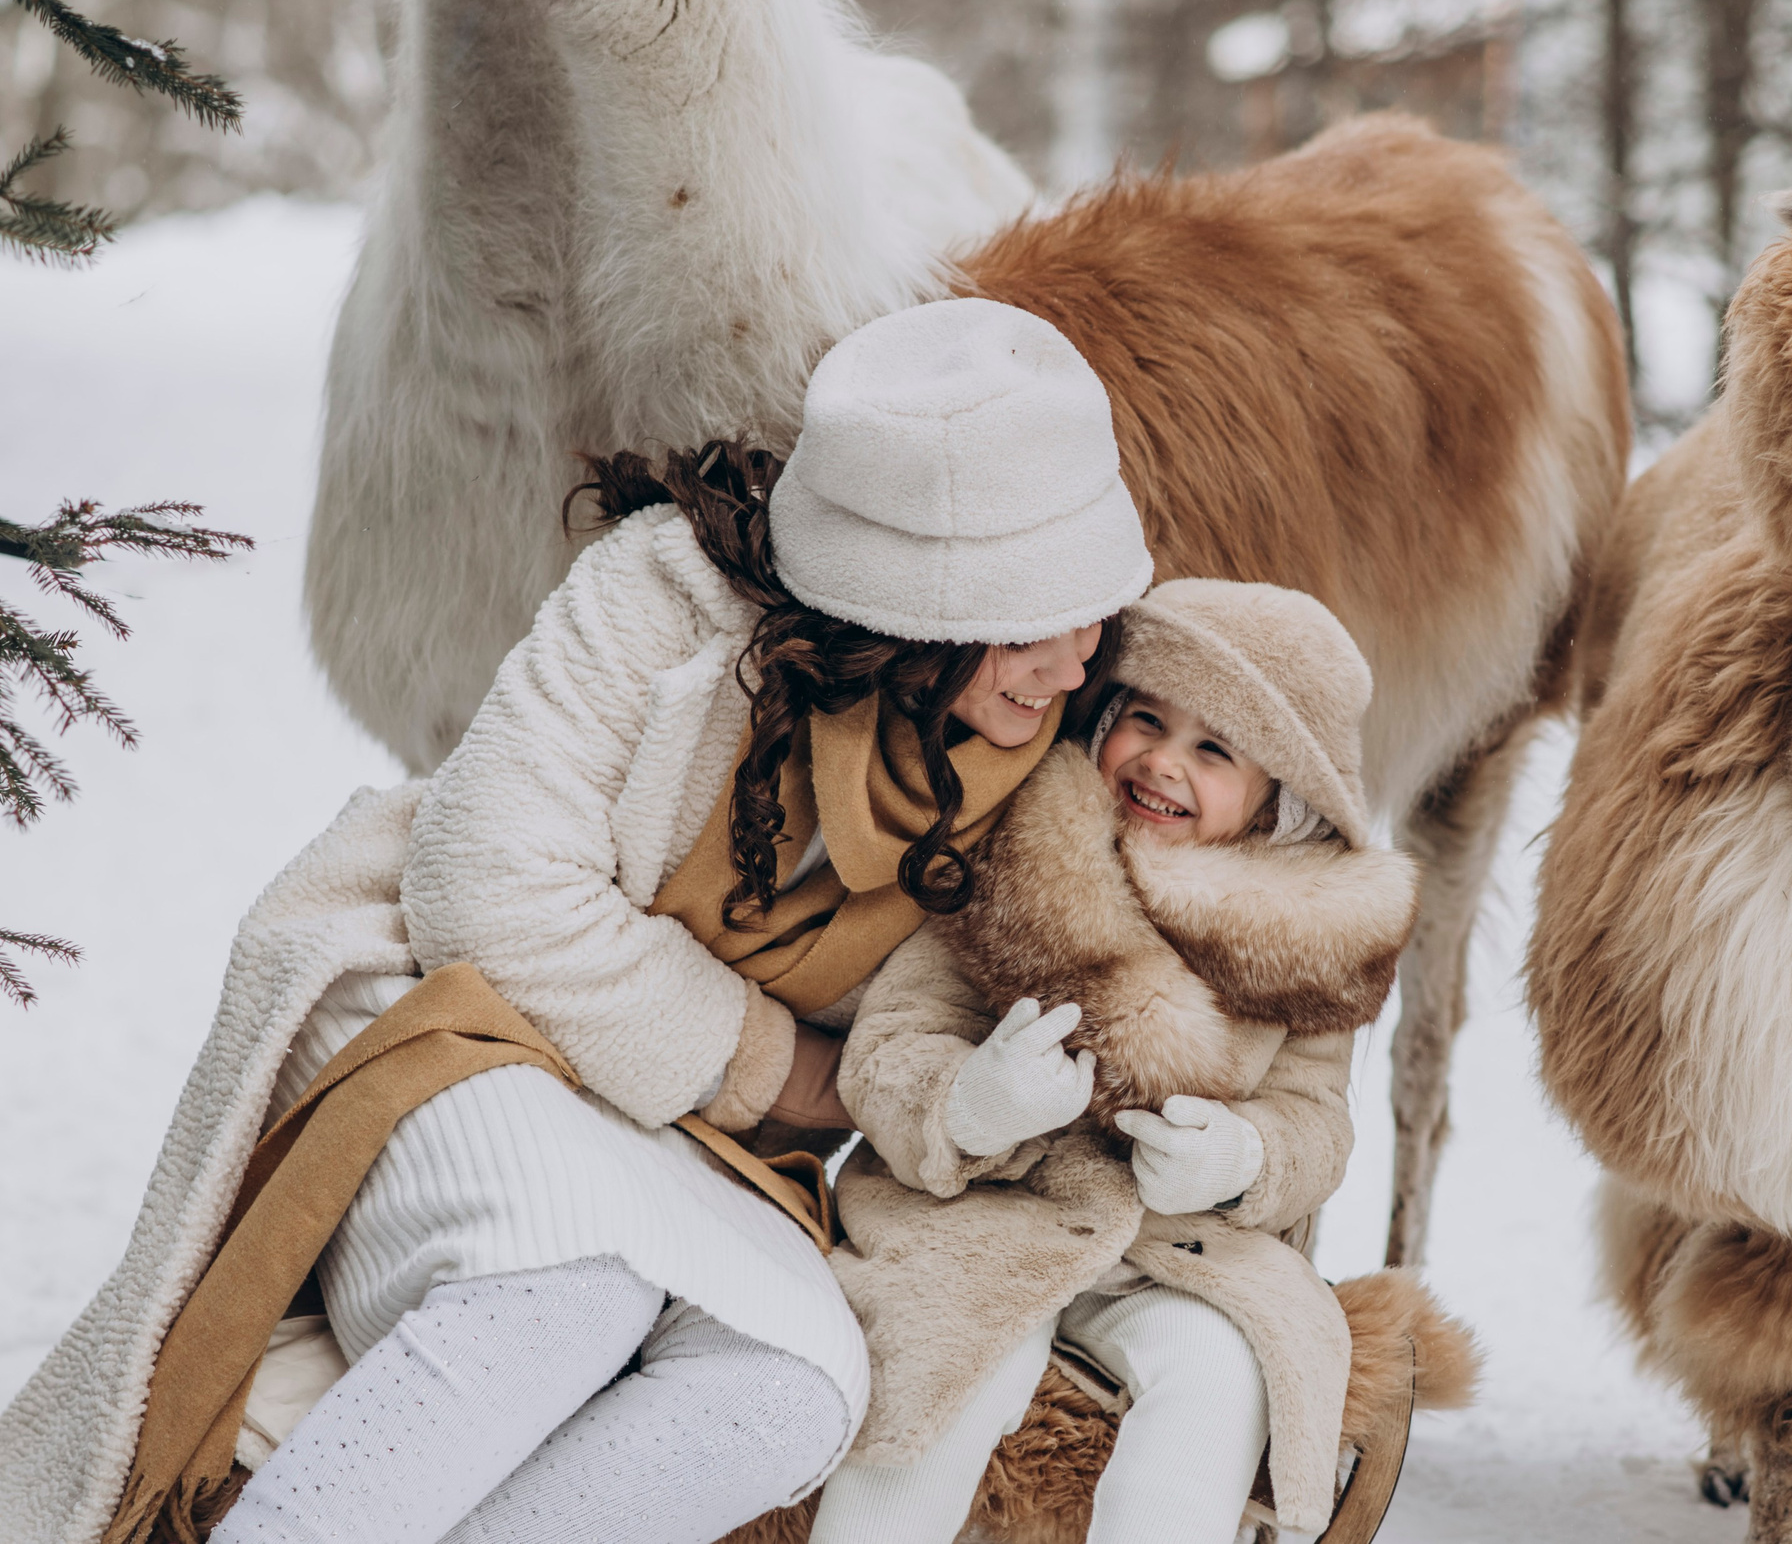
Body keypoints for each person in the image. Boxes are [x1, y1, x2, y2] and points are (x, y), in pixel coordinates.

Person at [206, 298, 1155, 1544]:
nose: (1077, 659)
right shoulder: (663, 603)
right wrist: (786, 1070)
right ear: (915, 620)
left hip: (706, 1149)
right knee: (567, 1289)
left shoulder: (1049, 759)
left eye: (1093, 607)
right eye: (1033, 621)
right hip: (468, 1027)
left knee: (788, 1393)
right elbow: (488, 893)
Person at [811, 579, 1421, 1544]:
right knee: (957, 1358)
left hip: (1174, 1255)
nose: (1163, 762)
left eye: (1213, 748)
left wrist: (1247, 1158)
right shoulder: (1013, 848)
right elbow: (891, 1043)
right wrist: (970, 1102)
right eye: (1146, 719)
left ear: (1281, 799)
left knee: (1219, 1366)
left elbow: (1318, 1120)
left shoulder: (1309, 943)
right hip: (981, 1214)